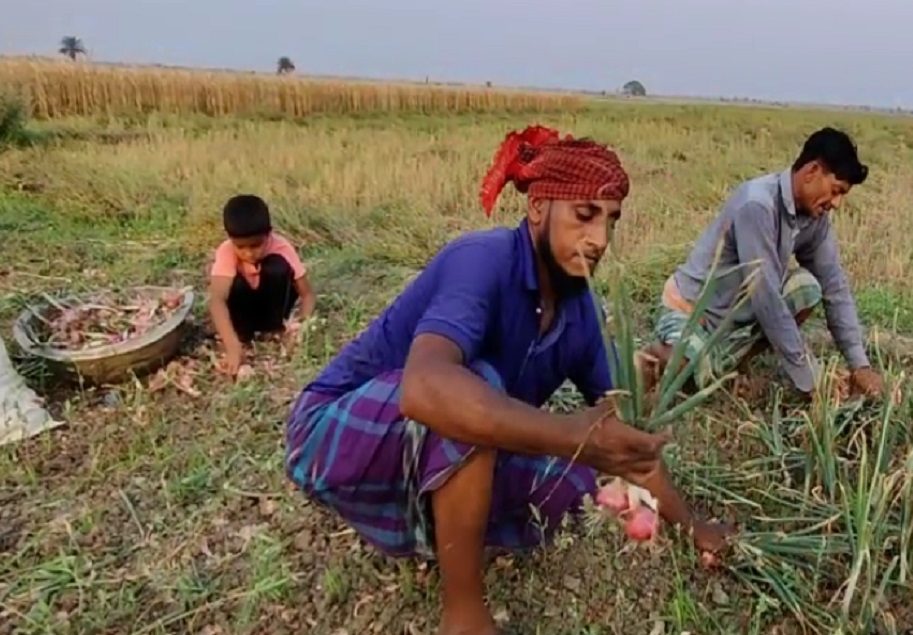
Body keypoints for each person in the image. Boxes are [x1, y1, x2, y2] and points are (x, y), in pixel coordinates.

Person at [284, 126, 730, 635]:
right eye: (584, 216)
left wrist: (693, 525)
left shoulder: (581, 311)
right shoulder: (482, 259)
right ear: (538, 207)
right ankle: (464, 615)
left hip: (435, 440)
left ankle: (442, 523)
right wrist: (574, 435)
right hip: (331, 431)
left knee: (577, 488)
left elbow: (619, 432)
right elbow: (424, 388)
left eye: (610, 222)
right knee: (474, 385)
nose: (599, 240)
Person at [642, 127, 885, 403]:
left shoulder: (815, 218)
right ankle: (646, 365)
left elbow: (834, 287)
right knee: (687, 364)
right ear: (812, 172)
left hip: (733, 319)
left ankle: (730, 365)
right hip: (692, 313)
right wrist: (812, 381)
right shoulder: (757, 205)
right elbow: (766, 297)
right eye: (836, 190)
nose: (838, 203)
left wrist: (860, 365)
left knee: (806, 288)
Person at [208, 194, 316, 375]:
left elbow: (307, 294)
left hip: (273, 309)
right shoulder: (226, 251)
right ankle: (243, 334)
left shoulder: (281, 247)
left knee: (277, 266)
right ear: (230, 238)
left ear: (268, 234)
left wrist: (300, 326)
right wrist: (232, 345)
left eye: (256, 245)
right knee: (233, 283)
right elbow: (217, 300)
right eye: (240, 247)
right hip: (243, 314)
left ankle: (274, 328)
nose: (249, 254)